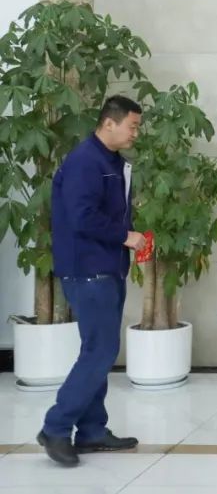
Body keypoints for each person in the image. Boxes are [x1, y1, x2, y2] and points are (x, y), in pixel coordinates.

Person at [38, 95, 147, 467]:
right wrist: (126, 236)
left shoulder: (111, 161)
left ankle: (91, 431)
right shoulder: (85, 161)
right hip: (88, 270)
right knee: (100, 351)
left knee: (98, 350)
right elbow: (82, 216)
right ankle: (55, 427)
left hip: (108, 268)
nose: (136, 133)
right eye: (132, 126)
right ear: (109, 123)